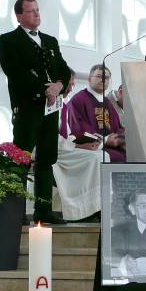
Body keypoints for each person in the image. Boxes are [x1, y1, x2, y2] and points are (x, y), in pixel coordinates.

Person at [0, 0, 70, 224]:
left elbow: (63, 69)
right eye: (31, 11)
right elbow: (15, 73)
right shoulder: (9, 40)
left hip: (50, 110)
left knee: (47, 159)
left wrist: (59, 86)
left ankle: (44, 211)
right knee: (21, 159)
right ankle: (16, 212)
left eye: (38, 10)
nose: (37, 14)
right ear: (19, 16)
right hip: (28, 109)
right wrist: (44, 90)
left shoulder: (50, 40)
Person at [52, 69, 106, 222]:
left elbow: (67, 135)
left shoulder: (63, 105)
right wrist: (81, 147)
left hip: (64, 148)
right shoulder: (51, 102)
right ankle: (82, 209)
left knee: (103, 155)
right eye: (69, 84)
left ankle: (97, 206)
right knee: (94, 159)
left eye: (73, 84)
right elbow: (51, 137)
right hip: (53, 151)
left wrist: (85, 143)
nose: (70, 89)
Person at [67, 64, 126, 163]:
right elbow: (78, 128)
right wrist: (105, 140)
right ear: (89, 79)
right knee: (114, 158)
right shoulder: (78, 100)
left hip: (111, 147)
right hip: (91, 147)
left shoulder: (107, 102)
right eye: (99, 76)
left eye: (106, 78)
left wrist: (120, 138)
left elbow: (117, 127)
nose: (103, 80)